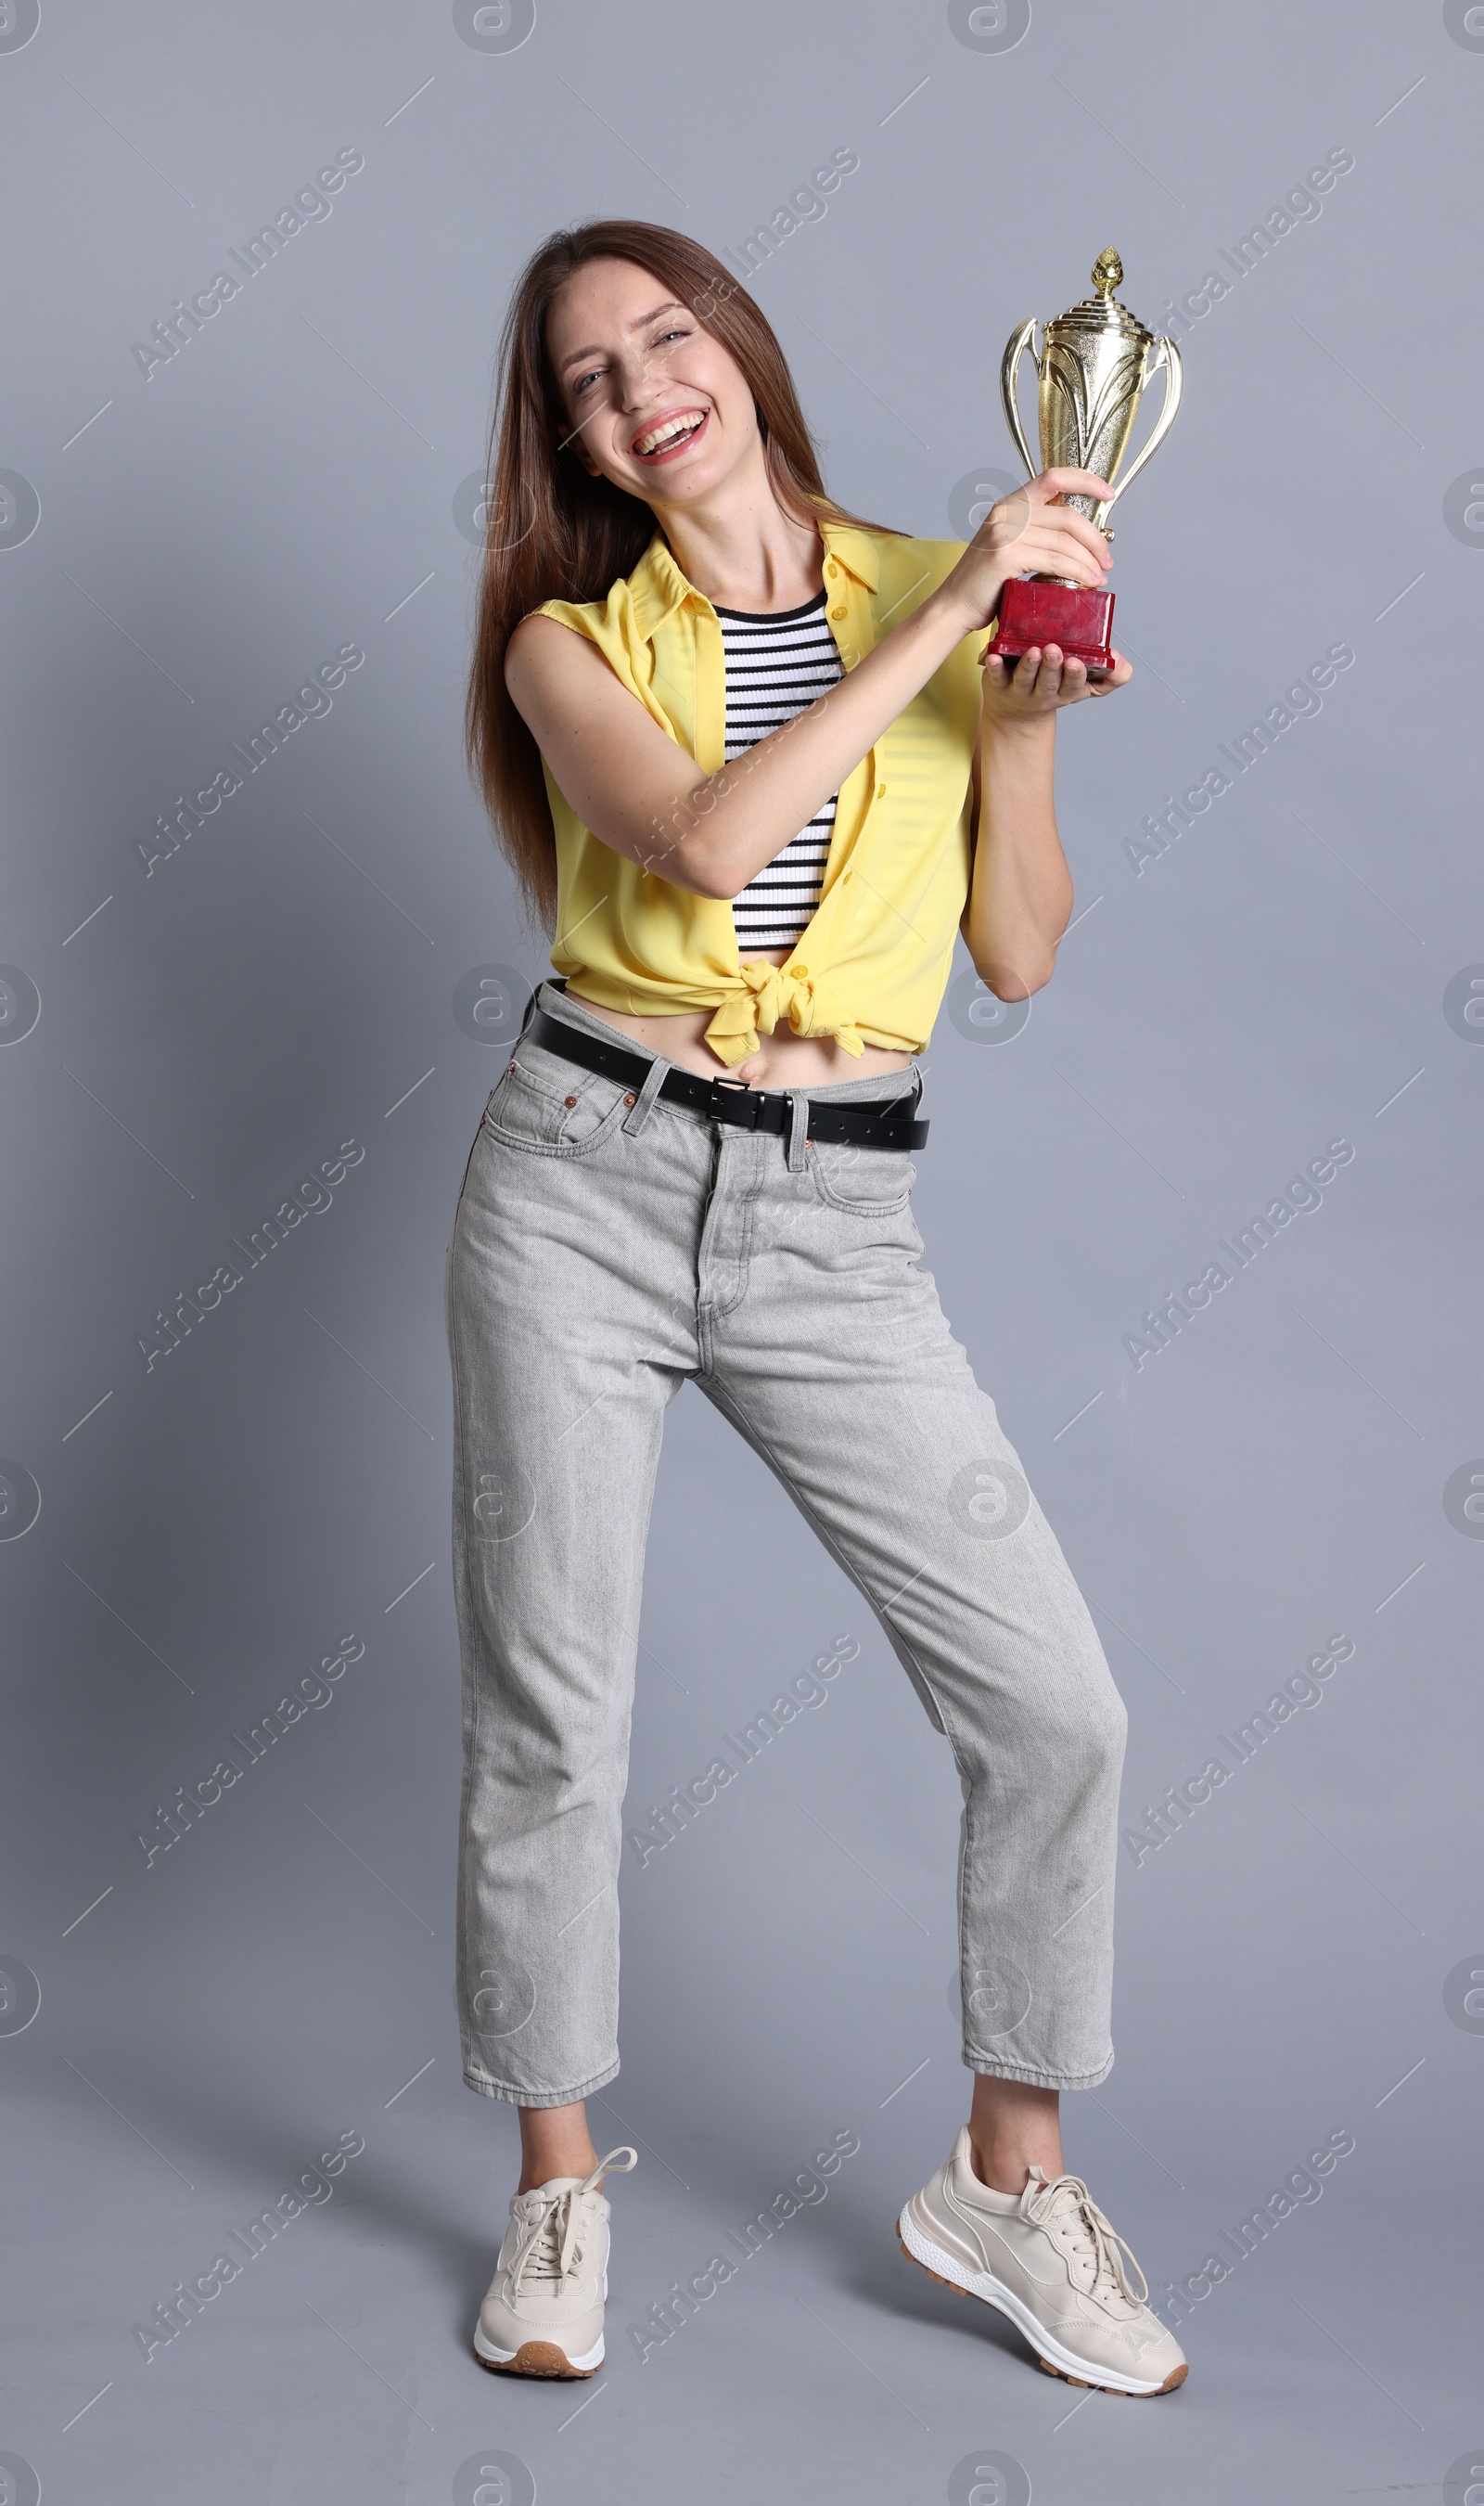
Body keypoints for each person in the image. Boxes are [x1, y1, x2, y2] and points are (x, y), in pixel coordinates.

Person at [447, 217, 1187, 2399]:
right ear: (567, 436)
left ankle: (1006, 2177)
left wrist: (1017, 716)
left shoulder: (919, 585)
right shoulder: (563, 643)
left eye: (663, 336)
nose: (638, 390)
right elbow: (692, 839)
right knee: (550, 1715)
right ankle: (553, 2188)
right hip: (575, 1180)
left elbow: (1018, 954)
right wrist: (952, 608)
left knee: (1055, 1709)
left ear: (735, 348)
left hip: (832, 1222)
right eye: (586, 379)